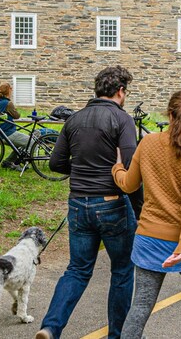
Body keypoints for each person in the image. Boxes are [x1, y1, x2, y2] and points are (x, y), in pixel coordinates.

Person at [36, 66, 139, 339]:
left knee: (78, 269)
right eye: (125, 91)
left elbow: (56, 163)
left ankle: (50, 327)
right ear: (120, 91)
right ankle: (117, 335)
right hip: (112, 204)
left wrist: (82, 169)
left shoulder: (74, 120)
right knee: (122, 270)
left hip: (78, 204)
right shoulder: (123, 120)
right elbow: (130, 164)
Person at [112, 90, 181, 339]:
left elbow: (128, 185)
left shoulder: (147, 143)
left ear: (169, 114)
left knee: (141, 306)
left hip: (149, 238)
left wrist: (116, 168)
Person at [0, 82, 29, 170]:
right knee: (30, 141)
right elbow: (17, 116)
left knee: (20, 144)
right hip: (6, 133)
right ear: (9, 91)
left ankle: (8, 162)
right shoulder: (8, 103)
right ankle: (18, 163)